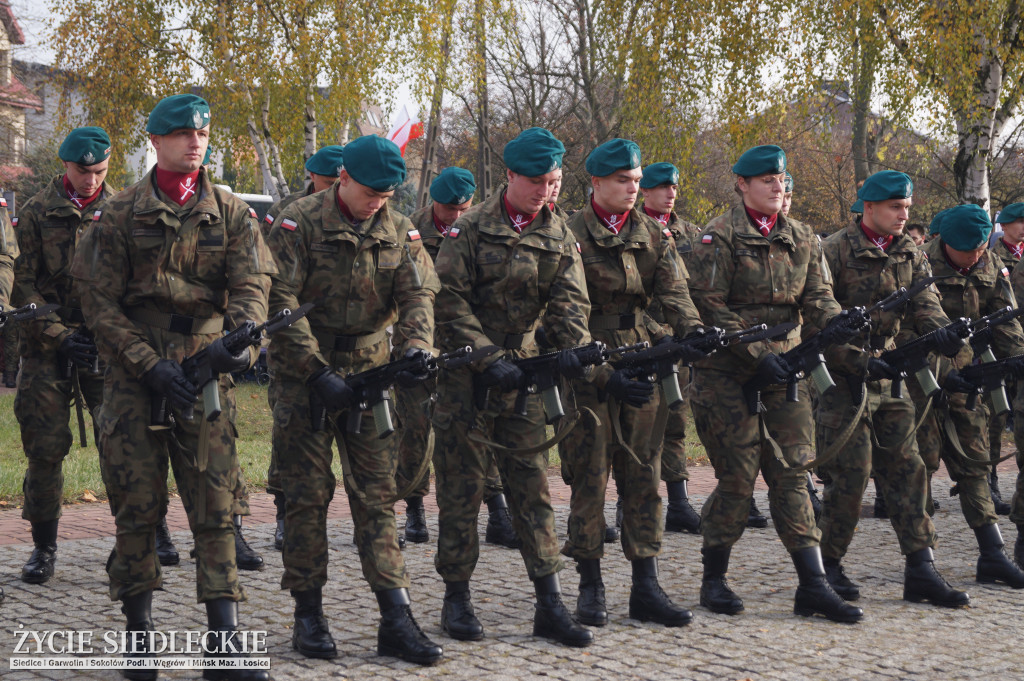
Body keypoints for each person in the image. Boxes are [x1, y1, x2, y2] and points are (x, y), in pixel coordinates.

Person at [71, 94, 273, 681]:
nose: (196, 142)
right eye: (183, 134)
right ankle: (139, 638)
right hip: (136, 378)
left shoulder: (233, 213)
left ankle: (224, 641)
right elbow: (98, 303)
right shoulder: (120, 213)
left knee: (216, 507)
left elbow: (251, 289)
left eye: (203, 135)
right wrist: (143, 361)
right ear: (155, 142)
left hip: (205, 374)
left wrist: (241, 343)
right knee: (136, 508)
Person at [265, 134, 443, 665]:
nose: (378, 203)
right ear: (343, 178)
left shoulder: (399, 228)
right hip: (306, 376)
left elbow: (418, 294)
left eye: (387, 195)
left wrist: (414, 347)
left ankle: (396, 617)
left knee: (376, 496)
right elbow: (278, 299)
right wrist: (314, 371)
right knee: (306, 495)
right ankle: (309, 614)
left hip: (370, 374)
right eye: (370, 193)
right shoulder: (298, 222)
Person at [431, 127, 595, 647]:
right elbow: (447, 301)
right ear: (510, 177)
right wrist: (485, 355)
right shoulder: (471, 228)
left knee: (533, 488)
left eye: (555, 182)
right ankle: (456, 598)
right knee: (462, 489)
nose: (548, 192)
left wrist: (570, 348)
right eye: (538, 182)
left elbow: (572, 301)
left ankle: (550, 603)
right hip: (467, 377)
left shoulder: (559, 232)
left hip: (523, 376)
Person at [686, 144, 863, 622]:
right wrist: (756, 353)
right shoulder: (717, 237)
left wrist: (839, 323)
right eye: (764, 179)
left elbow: (818, 297)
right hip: (725, 373)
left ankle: (813, 585)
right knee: (739, 479)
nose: (775, 185)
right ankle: (714, 578)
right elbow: (710, 308)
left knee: (792, 473)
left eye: (780, 178)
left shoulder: (802, 236)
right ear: (742, 184)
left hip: (784, 372)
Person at [558, 140, 703, 629]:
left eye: (637, 180)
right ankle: (590, 584)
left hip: (641, 356)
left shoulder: (652, 233)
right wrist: (600, 372)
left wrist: (694, 332)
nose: (633, 188)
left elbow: (675, 293)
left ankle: (647, 585)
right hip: (589, 361)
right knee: (590, 477)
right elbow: (567, 312)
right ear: (596, 182)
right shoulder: (569, 233)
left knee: (644, 476)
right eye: (624, 180)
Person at [815, 171, 968, 608]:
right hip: (844, 377)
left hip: (891, 373)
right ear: (869, 207)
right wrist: (857, 360)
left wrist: (945, 334)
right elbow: (818, 319)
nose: (905, 215)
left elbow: (926, 305)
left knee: (909, 468)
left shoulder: (909, 252)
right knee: (851, 474)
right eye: (895, 207)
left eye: (907, 207)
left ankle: (921, 567)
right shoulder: (833, 250)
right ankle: (828, 566)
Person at [395, 167, 520, 549]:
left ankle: (497, 509)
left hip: (469, 343)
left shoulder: (482, 227)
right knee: (415, 426)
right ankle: (414, 507)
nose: (456, 216)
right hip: (421, 343)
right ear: (434, 201)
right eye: (450, 208)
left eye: (463, 207)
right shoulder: (410, 230)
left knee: (483, 424)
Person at [13, 128, 106, 588]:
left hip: (105, 343)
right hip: (46, 343)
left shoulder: (124, 212)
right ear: (65, 165)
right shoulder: (34, 213)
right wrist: (57, 335)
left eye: (100, 171)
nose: (91, 180)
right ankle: (43, 546)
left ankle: (144, 537)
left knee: (126, 442)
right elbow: (20, 285)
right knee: (45, 448)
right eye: (82, 171)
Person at [921, 204, 1024, 588]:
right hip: (922, 375)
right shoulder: (920, 264)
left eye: (981, 247)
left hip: (969, 374)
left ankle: (993, 555)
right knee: (919, 467)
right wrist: (944, 372)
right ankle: (921, 561)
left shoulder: (991, 264)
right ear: (946, 242)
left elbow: (1006, 319)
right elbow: (910, 327)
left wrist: (1016, 360)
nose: (976, 256)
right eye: (968, 250)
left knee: (975, 462)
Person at [261, 143, 345, 553]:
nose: (334, 190)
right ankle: (283, 513)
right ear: (313, 177)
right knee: (288, 434)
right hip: (294, 345)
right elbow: (274, 283)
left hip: (344, 345)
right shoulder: (288, 215)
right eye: (329, 183)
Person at [637, 161, 710, 533]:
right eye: (662, 186)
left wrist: (693, 332)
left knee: (676, 422)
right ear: (644, 190)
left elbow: (692, 290)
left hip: (677, 341)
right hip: (639, 341)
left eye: (674, 187)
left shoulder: (692, 234)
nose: (670, 193)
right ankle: (629, 503)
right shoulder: (636, 231)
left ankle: (679, 501)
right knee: (640, 426)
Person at [986, 205, 1024, 515]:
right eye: (1019, 222)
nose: (1022, 227)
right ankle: (990, 480)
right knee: (995, 417)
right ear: (1005, 225)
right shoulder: (993, 257)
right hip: (1000, 348)